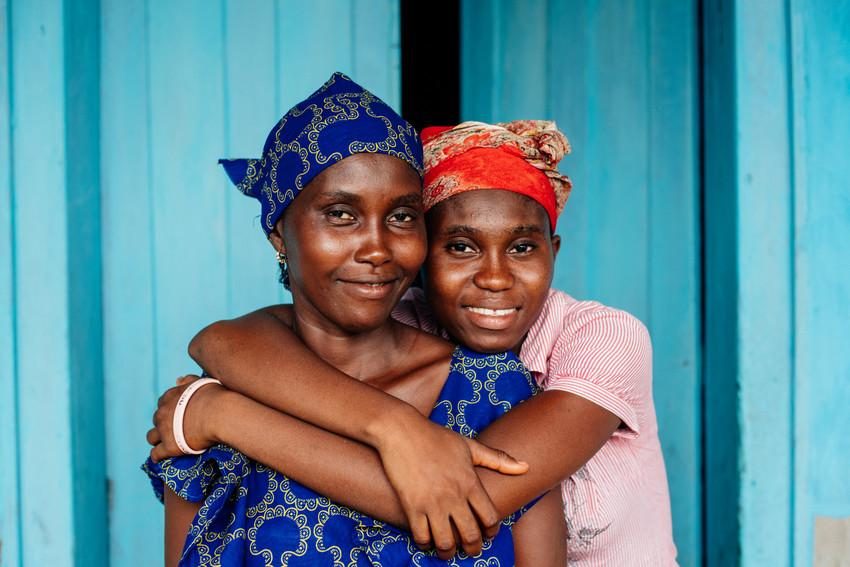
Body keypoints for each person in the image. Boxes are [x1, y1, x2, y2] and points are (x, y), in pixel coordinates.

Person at [150, 119, 678, 564]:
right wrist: (395, 427)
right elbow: (228, 339)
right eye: (461, 247)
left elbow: (459, 500)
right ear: (424, 256)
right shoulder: (395, 317)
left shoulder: (600, 338)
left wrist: (226, 418)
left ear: (553, 252)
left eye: (521, 248)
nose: (495, 278)